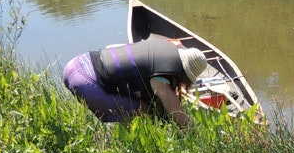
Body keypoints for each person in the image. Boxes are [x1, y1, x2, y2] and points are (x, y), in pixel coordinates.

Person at [63, 40, 208, 128]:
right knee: (143, 110)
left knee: (131, 106)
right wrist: (193, 132)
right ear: (185, 74)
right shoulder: (162, 78)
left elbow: (112, 46)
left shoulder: (160, 49)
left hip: (78, 62)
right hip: (85, 81)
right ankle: (135, 148)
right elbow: (176, 113)